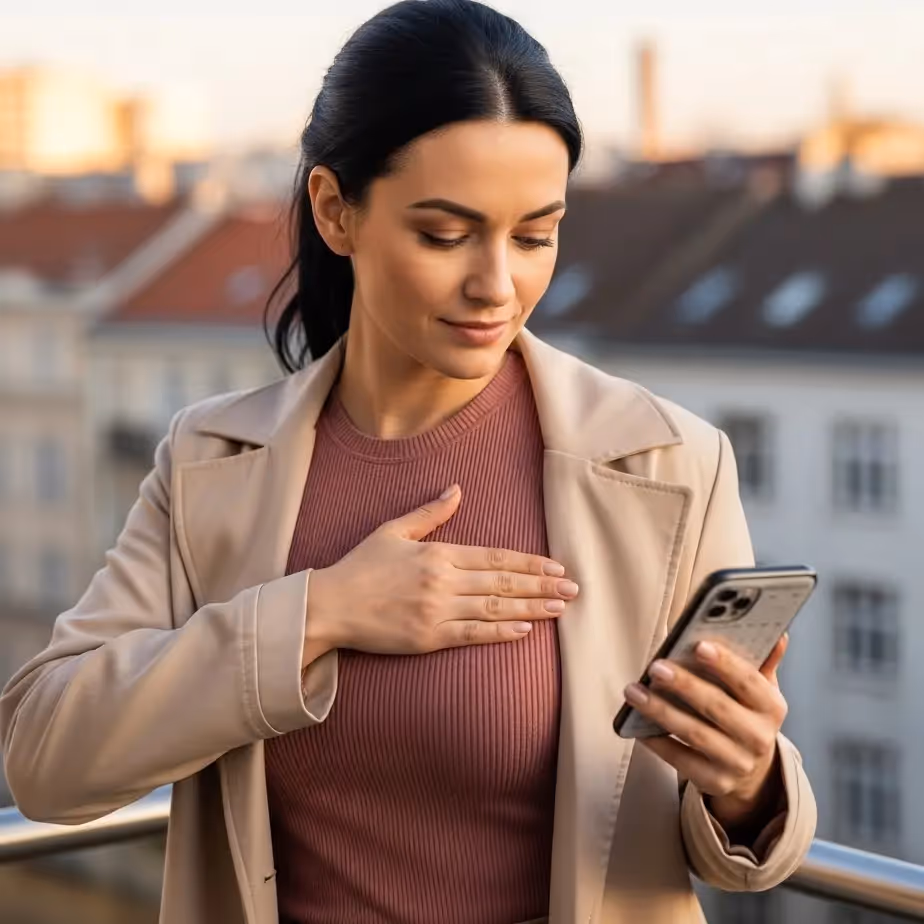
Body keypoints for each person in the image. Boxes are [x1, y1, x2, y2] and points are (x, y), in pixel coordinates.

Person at [0, 2, 816, 922]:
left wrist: (746, 783)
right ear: (335, 210)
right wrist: (320, 613)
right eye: (444, 233)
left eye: (535, 235)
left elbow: (744, 857)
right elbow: (43, 759)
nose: (497, 284)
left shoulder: (670, 463)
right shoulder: (211, 461)